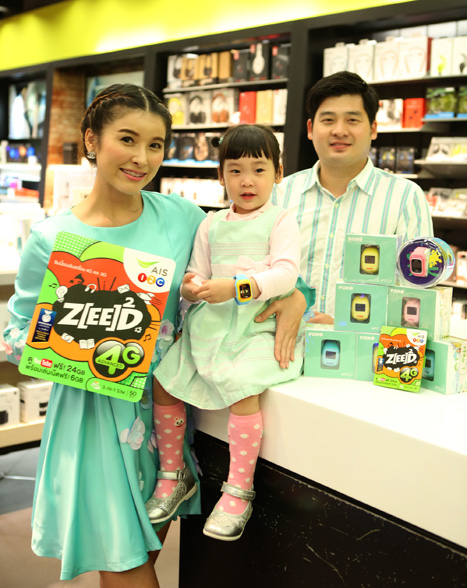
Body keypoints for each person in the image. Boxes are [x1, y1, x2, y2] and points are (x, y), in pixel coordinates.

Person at [3, 83, 206, 587]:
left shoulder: (183, 218)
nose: (142, 158)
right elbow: (16, 333)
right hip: (91, 419)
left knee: (142, 558)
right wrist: (65, 343)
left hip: (165, 418)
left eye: (155, 145)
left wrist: (292, 297)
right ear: (92, 140)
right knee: (125, 566)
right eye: (128, 139)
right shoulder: (52, 237)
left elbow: (241, 268)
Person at [146, 124, 305, 542]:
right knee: (164, 381)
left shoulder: (281, 220)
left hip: (256, 326)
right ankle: (173, 473)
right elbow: (196, 271)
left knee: (243, 388)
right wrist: (190, 287)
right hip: (210, 324)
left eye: (259, 170)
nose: (247, 181)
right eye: (235, 170)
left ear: (278, 173)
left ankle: (238, 490)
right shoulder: (211, 223)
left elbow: (285, 274)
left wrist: (235, 288)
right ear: (221, 176)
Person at [271, 71, 433, 324]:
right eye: (328, 120)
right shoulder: (280, 193)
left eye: (352, 120)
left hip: (365, 346)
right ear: (311, 129)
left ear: (373, 129)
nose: (339, 130)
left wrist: (343, 326)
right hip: (283, 343)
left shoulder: (405, 198)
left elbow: (417, 296)